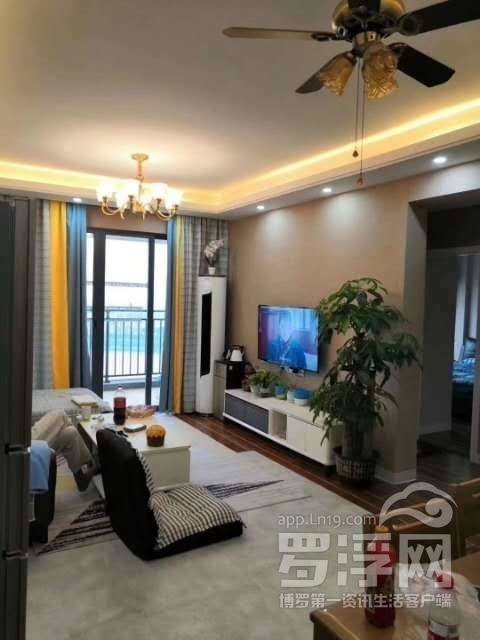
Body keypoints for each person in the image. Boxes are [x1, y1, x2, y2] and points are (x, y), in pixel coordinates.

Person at [31, 410, 97, 492]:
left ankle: (81, 478)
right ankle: (89, 461)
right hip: (24, 442)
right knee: (60, 414)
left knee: (71, 433)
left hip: (26, 438)